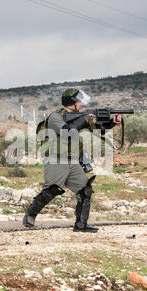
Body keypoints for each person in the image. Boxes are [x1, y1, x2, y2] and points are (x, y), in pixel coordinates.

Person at [23, 88, 121, 233]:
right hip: (57, 158)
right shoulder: (55, 117)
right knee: (51, 190)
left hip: (72, 160)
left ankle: (81, 225)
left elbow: (99, 128)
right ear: (72, 102)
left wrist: (113, 122)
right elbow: (67, 132)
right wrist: (85, 119)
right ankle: (30, 215)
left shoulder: (78, 117)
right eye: (79, 100)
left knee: (85, 190)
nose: (81, 103)